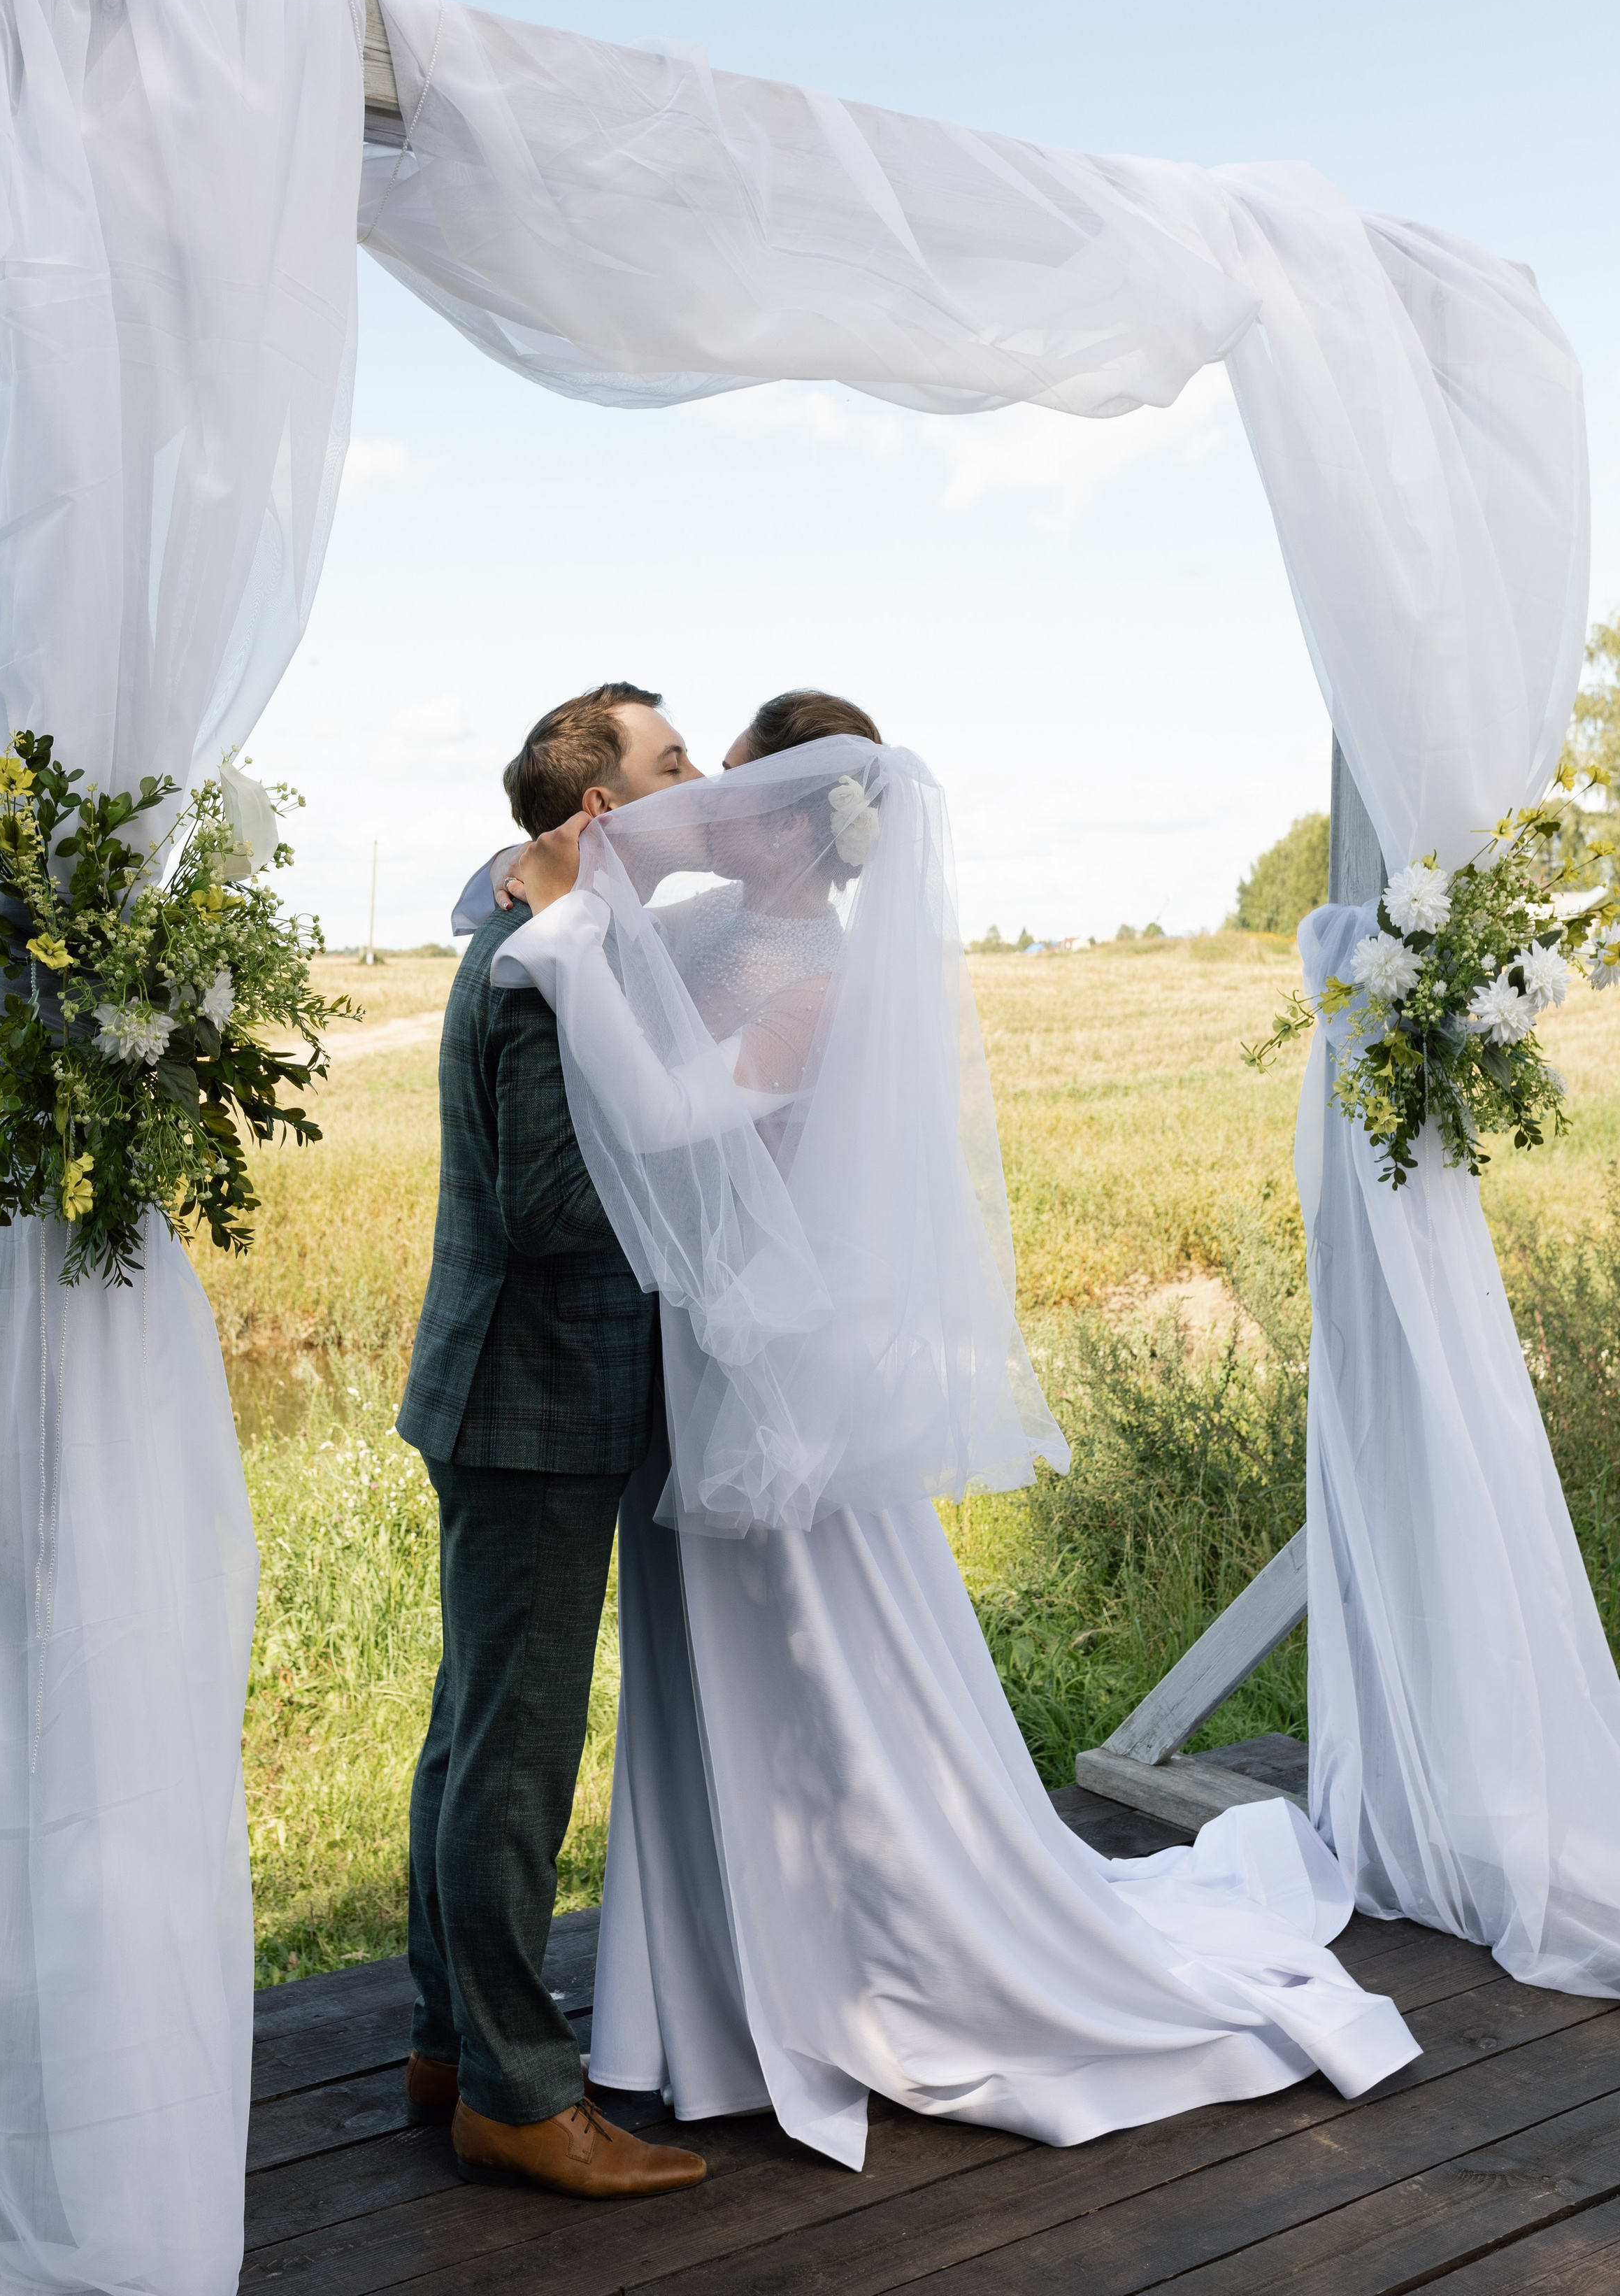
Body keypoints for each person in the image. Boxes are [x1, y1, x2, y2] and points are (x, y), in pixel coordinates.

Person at [494, 691, 1421, 2171]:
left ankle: (862, 1965)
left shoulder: (808, 975)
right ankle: (715, 1993)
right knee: (712, 1672)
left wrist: (557, 938)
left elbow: (668, 1118)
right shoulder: (720, 934)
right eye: (699, 776)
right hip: (704, 1372)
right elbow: (588, 943)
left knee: (818, 1665)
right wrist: (551, 900)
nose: (704, 805)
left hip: (771, 1381)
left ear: (792, 820)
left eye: (731, 783)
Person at [395, 682, 707, 2199]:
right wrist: (691, 1175)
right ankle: (520, 2097)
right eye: (671, 761)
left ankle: (452, 2040)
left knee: (471, 1727)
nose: (698, 777)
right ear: (602, 811)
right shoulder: (537, 969)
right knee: (513, 1755)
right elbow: (546, 1207)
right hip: (534, 1398)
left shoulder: (555, 930)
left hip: (511, 1392)